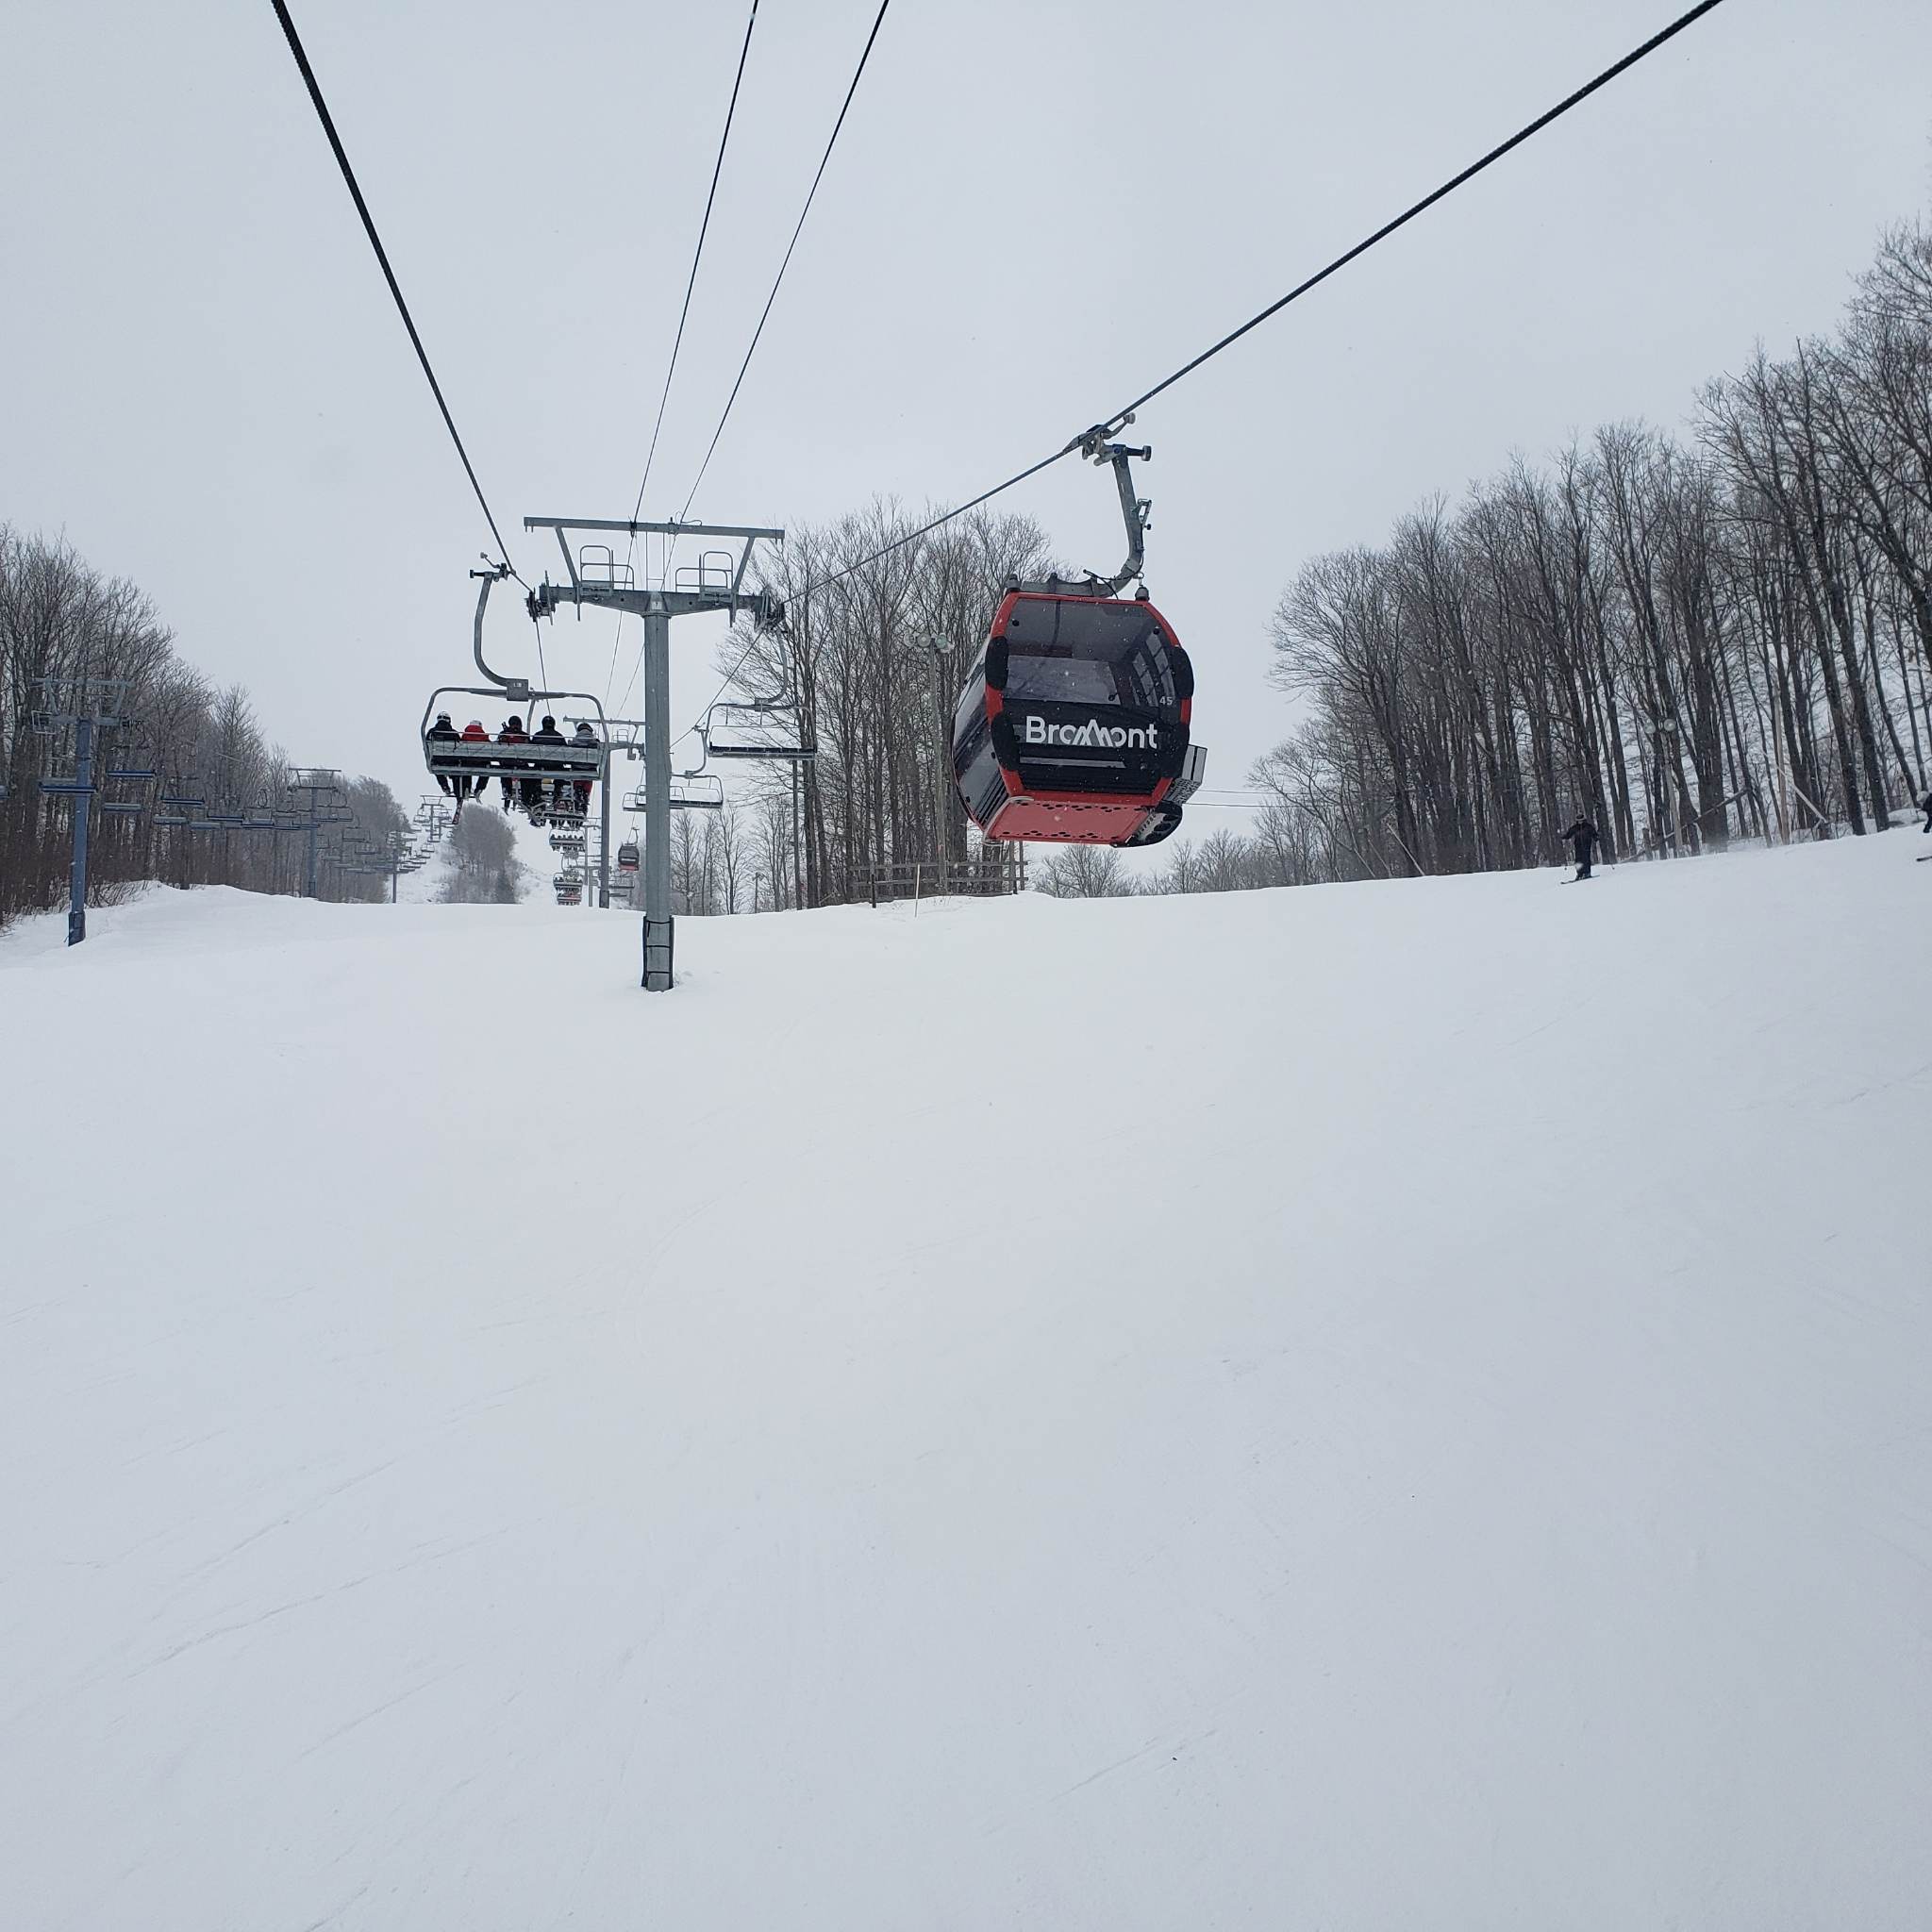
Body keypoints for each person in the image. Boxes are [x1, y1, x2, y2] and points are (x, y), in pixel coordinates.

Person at [527, 714, 567, 823]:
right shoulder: (559, 737)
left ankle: (537, 791)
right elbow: (566, 753)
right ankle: (557, 790)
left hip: (541, 765)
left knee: (533, 775)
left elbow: (530, 750)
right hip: (556, 766)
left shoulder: (537, 736)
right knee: (562, 774)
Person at [496, 715, 529, 812]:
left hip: (506, 762)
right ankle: (525, 795)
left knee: (504, 774)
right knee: (528, 776)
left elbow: (497, 746)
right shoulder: (524, 735)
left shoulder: (503, 734)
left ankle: (507, 790)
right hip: (521, 763)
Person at [568, 720, 599, 820]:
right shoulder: (594, 741)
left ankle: (578, 790)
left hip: (577, 766)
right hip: (590, 767)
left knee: (578, 773)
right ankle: (585, 793)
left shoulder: (575, 741)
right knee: (589, 775)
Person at [426, 712, 460, 803]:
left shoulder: (432, 732)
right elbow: (459, 746)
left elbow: (427, 745)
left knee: (437, 769)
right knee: (456, 774)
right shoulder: (454, 733)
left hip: (438, 759)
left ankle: (445, 786)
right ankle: (458, 793)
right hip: (452, 761)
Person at [1560, 813, 1600, 881]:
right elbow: (1569, 834)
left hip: (1586, 844)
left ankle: (1587, 872)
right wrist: (1564, 837)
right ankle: (1580, 873)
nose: (1580, 822)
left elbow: (1594, 833)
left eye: (1581, 820)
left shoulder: (1588, 827)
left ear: (1584, 820)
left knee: (1586, 859)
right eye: (1578, 821)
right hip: (1578, 846)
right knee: (1578, 860)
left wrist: (1596, 837)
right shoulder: (1575, 828)